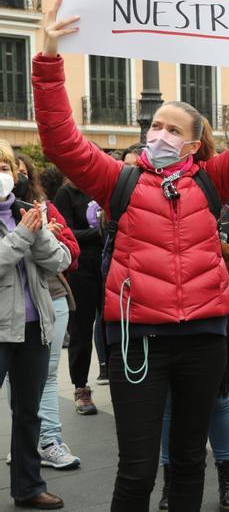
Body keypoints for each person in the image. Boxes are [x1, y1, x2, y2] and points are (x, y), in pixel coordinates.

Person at [33, 0, 229, 509]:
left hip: (203, 338)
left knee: (187, 464)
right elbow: (62, 143)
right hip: (138, 341)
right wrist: (48, 59)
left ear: (196, 145)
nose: (160, 134)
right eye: (156, 125)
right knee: (136, 470)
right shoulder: (121, 181)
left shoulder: (213, 182)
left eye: (174, 130)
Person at [159, 202, 229, 512]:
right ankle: (170, 481)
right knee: (169, 404)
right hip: (167, 316)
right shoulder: (161, 207)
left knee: (219, 400)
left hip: (218, 319)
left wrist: (211, 243)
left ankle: (227, 479)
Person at [0, 142, 72, 509]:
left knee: (28, 411)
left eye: (4, 166)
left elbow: (60, 260)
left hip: (33, 327)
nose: (1, 174)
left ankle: (28, 486)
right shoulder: (20, 225)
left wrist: (39, 230)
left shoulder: (26, 211)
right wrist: (23, 235)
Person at [9, 151, 83, 473]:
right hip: (6, 316)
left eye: (9, 169)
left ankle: (47, 444)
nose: (9, 176)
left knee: (43, 381)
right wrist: (24, 234)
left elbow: (68, 257)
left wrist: (45, 233)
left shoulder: (41, 208)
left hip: (46, 303)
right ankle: (24, 446)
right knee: (18, 384)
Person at [55, 173, 107, 410]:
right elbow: (65, 233)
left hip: (108, 264)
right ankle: (80, 387)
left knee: (113, 327)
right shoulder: (67, 193)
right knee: (81, 329)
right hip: (81, 268)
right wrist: (98, 233)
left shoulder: (104, 189)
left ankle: (121, 381)